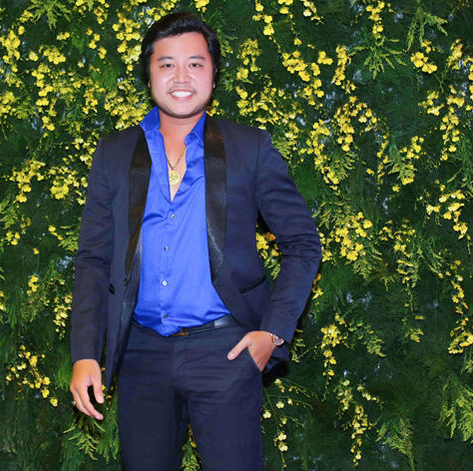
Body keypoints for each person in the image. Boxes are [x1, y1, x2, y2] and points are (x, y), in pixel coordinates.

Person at [69, 12, 320, 471]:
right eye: (167, 64)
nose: (181, 77)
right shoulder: (114, 152)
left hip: (225, 352)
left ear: (213, 73)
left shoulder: (250, 148)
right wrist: (85, 353)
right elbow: (93, 259)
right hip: (141, 354)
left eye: (195, 64)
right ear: (149, 75)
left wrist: (273, 333)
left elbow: (303, 243)